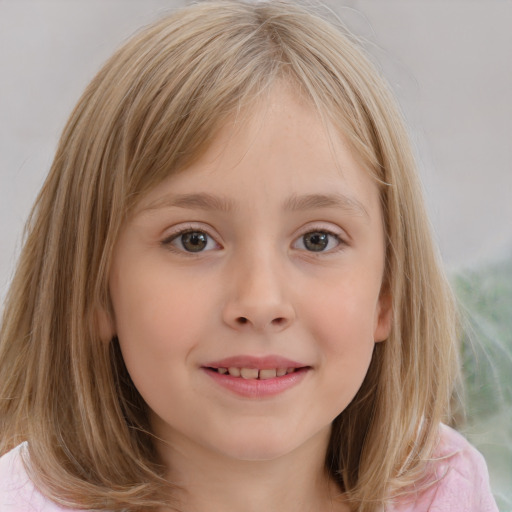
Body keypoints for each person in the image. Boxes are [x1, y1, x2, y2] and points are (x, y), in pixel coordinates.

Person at [0, 1, 498, 511]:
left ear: (387, 293)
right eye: (193, 239)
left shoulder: (442, 490)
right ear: (95, 288)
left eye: (317, 240)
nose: (260, 301)